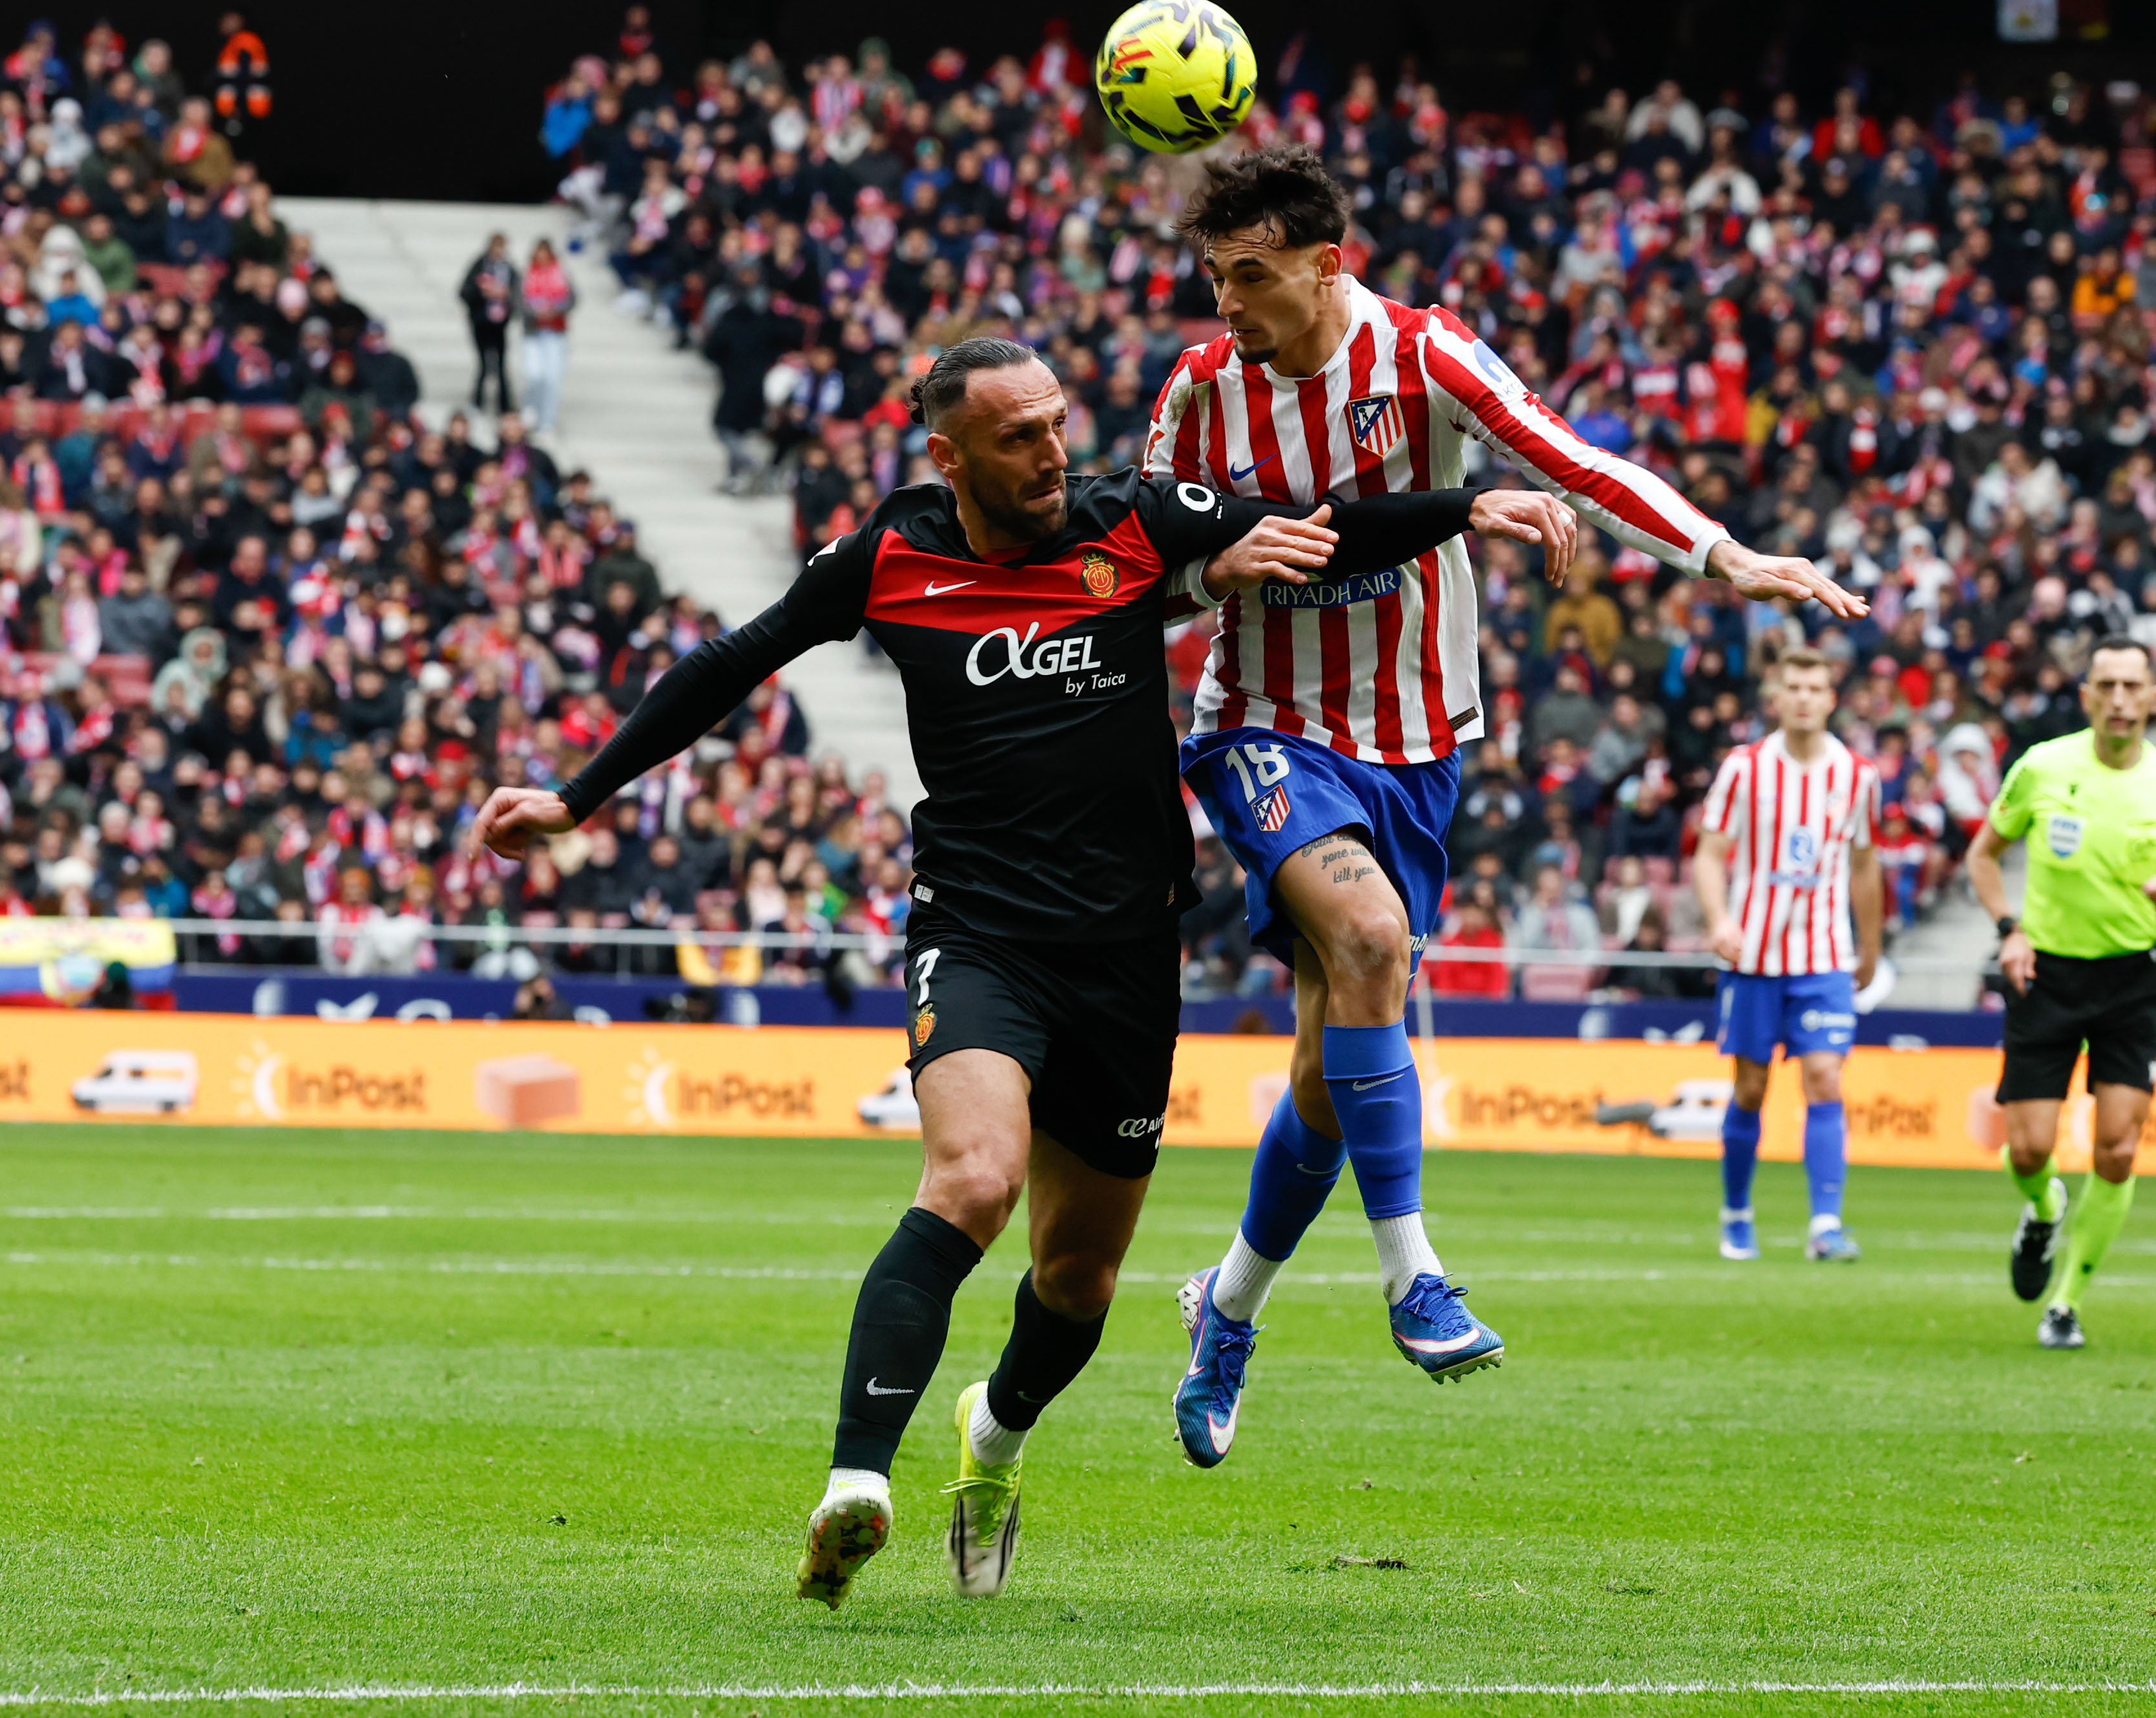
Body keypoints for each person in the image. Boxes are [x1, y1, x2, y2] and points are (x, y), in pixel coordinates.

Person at [474, 337, 1508, 1608]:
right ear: (946, 454)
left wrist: (1466, 506)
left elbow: (1320, 532)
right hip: (976, 930)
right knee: (972, 1175)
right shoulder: (887, 557)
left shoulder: (1132, 519)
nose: (1049, 452)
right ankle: (855, 1481)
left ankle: (993, 1438)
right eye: (1016, 435)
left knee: (1076, 1279)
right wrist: (578, 798)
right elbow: (728, 665)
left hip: (1125, 948)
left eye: (1056, 424)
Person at [1143, 142, 1866, 1469]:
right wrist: (1210, 579)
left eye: (1247, 277)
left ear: (1325, 263)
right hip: (1258, 725)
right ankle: (1411, 1271)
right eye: (1210, 278)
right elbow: (1139, 573)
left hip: (1415, 743)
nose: (1225, 306)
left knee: (1323, 1061)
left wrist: (1723, 556)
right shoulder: (1197, 392)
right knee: (1371, 946)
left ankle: (1224, 1306)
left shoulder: (1423, 357)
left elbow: (1575, 461)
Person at [1964, 637, 2156, 1351]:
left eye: (2129, 685)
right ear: (2085, 695)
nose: (2116, 698)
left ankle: (2066, 1301)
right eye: (2103, 684)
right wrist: (2008, 928)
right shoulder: (2042, 767)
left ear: (2152, 697)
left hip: (2129, 981)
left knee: (2116, 1148)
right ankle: (2043, 1206)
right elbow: (1982, 855)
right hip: (2044, 973)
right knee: (2027, 1150)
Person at [1691, 649, 1884, 1264]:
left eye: (1815, 687)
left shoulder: (1857, 776)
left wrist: (1871, 946)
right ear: (1776, 698)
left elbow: (1863, 863)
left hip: (1824, 953)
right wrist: (1720, 919)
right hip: (1753, 955)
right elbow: (1709, 853)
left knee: (1825, 1077)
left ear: (1832, 698)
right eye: (1793, 687)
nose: (1804, 697)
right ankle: (1737, 1212)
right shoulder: (1744, 769)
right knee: (1750, 1088)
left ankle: (1826, 1223)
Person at [519, 239, 577, 434]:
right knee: (534, 374)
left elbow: (572, 298)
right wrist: (535, 312)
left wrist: (556, 310)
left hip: (554, 330)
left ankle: (548, 419)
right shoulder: (527, 275)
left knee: (552, 378)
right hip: (534, 331)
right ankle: (530, 409)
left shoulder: (562, 274)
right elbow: (519, 301)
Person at [460, 233, 517, 415]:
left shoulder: (509, 269)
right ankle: (478, 402)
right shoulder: (479, 266)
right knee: (484, 364)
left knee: (501, 365)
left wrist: (505, 296)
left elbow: (518, 294)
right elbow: (464, 291)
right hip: (481, 322)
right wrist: (482, 293)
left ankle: (504, 405)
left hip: (500, 325)